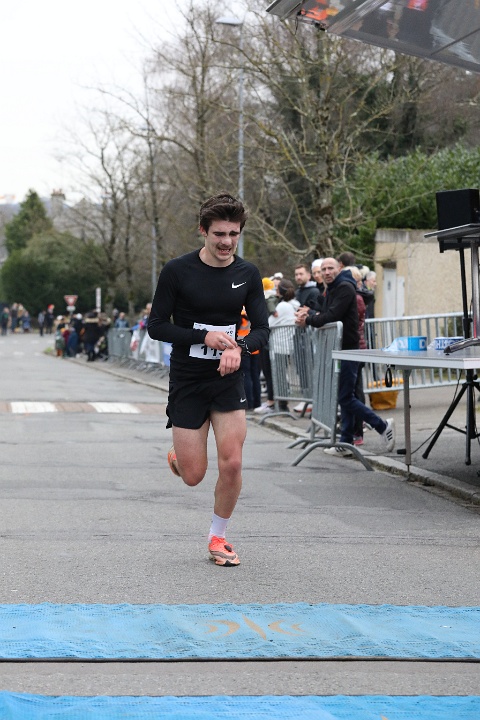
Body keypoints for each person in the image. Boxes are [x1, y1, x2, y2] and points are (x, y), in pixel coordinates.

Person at [147, 191, 269, 567]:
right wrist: (203, 337)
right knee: (193, 475)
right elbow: (156, 326)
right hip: (188, 379)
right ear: (203, 231)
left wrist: (240, 348)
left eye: (233, 234)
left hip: (227, 379)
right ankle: (180, 456)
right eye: (219, 234)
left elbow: (262, 329)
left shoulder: (247, 274)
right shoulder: (177, 271)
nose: (226, 242)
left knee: (232, 463)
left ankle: (218, 536)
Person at [295, 257, 395, 457]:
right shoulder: (334, 288)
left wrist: (309, 320)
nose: (326, 272)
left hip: (349, 349)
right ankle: (346, 441)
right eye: (323, 269)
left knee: (346, 397)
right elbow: (326, 312)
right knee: (345, 397)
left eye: (330, 268)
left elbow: (331, 316)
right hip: (340, 349)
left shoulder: (345, 288)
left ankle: (382, 425)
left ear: (339, 268)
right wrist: (311, 313)